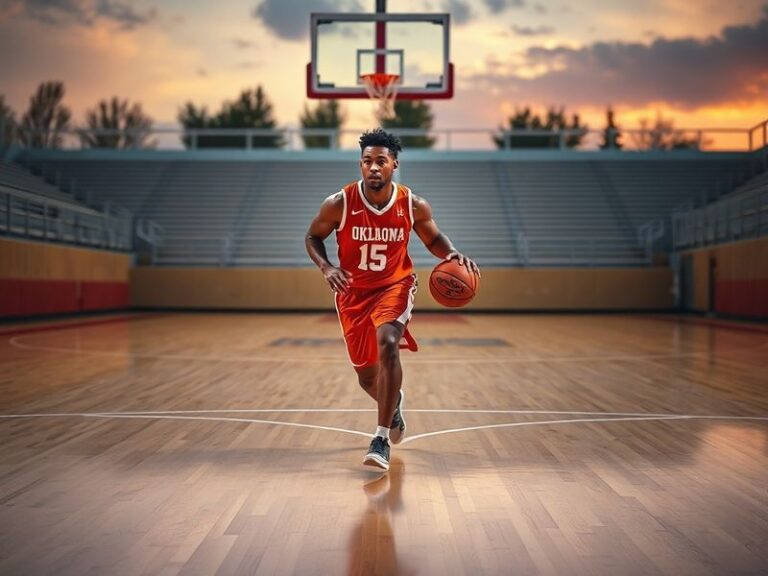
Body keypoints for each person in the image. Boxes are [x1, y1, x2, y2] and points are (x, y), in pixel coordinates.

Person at [305, 128, 479, 471]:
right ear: (360, 164)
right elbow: (313, 236)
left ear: (393, 165)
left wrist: (453, 254)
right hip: (353, 294)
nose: (373, 167)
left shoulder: (412, 205)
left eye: (380, 161)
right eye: (367, 161)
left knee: (388, 342)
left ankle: (381, 437)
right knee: (367, 377)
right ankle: (394, 405)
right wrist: (326, 267)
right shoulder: (339, 203)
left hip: (394, 286)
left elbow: (434, 239)